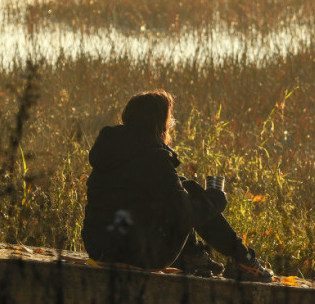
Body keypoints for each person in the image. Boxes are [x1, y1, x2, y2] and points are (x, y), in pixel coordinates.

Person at [81, 89, 274, 282]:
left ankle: (193, 255)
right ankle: (243, 259)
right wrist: (216, 199)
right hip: (137, 255)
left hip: (99, 249)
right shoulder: (155, 159)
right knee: (189, 195)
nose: (171, 125)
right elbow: (183, 216)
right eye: (170, 120)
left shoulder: (110, 151)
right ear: (159, 124)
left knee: (183, 187)